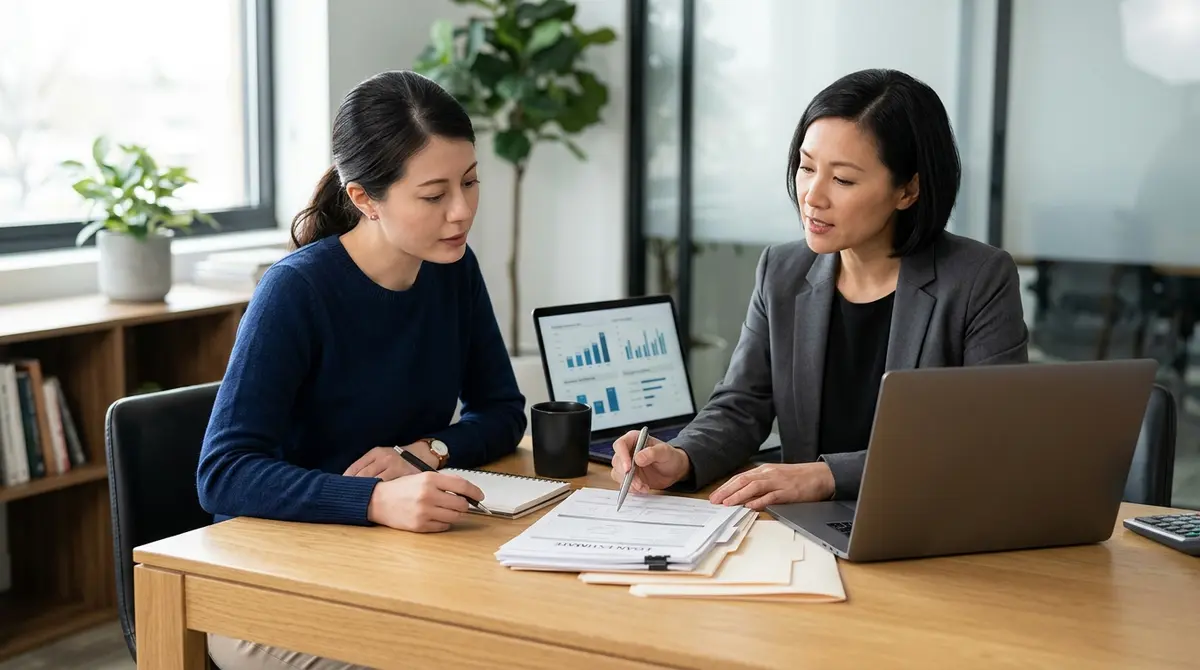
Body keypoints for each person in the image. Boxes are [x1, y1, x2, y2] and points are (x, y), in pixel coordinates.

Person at [196, 70, 526, 670]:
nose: (461, 211)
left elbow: (502, 412)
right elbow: (223, 474)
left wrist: (425, 452)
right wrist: (373, 500)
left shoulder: (452, 268)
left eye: (471, 182)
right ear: (364, 199)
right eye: (434, 195)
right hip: (270, 580)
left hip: (394, 561)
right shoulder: (295, 291)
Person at [610, 68, 1029, 508]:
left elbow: (989, 440)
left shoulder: (978, 279)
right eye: (806, 168)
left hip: (923, 524)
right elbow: (741, 405)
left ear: (908, 190)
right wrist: (682, 454)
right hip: (804, 531)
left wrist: (830, 475)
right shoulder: (782, 270)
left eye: (843, 179)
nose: (812, 195)